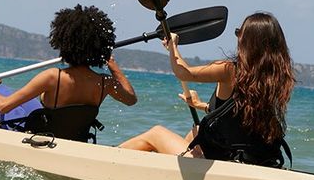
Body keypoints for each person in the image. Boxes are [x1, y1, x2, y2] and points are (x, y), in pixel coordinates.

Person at [119, 12, 295, 167]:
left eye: (238, 33)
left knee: (156, 133)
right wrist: (201, 105)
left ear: (247, 42)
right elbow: (241, 117)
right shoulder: (276, 80)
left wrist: (173, 47)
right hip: (254, 160)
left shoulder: (229, 70)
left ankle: (108, 158)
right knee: (195, 131)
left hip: (222, 162)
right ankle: (161, 171)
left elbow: (184, 73)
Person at [0, 4, 137, 143]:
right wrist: (113, 65)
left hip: (40, 134)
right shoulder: (104, 83)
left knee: (0, 89)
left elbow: (3, 106)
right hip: (69, 136)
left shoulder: (53, 77)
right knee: (23, 102)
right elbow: (131, 99)